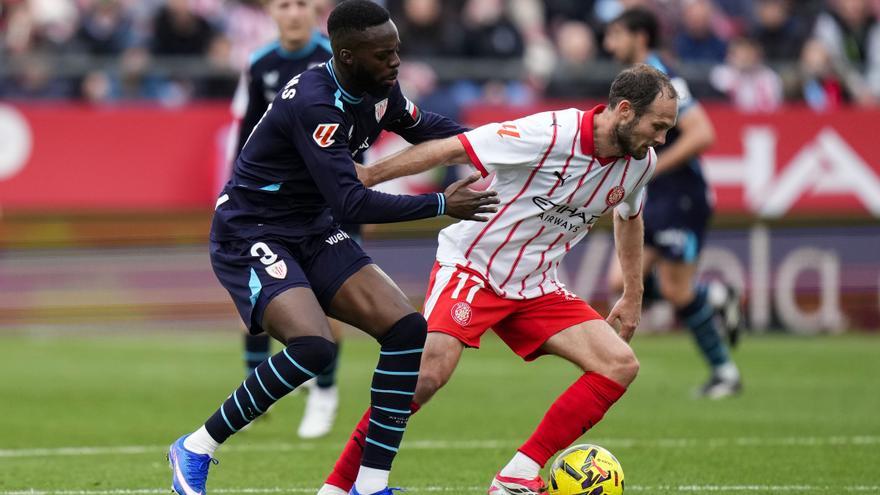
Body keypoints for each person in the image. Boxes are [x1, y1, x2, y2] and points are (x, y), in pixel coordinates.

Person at [167, 2, 499, 495]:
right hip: (252, 231)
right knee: (314, 346)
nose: (395, 61)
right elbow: (350, 201)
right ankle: (196, 446)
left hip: (312, 226)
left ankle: (370, 485)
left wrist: (505, 142)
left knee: (407, 329)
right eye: (383, 54)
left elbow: (423, 124)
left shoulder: (380, 87)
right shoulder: (316, 103)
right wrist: (440, 204)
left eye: (396, 50)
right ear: (347, 56)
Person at [317, 64, 677, 495]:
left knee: (619, 365)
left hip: (537, 285)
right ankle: (336, 488)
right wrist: (369, 175)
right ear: (625, 110)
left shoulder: (640, 164)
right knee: (427, 374)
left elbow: (629, 217)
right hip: (474, 267)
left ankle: (516, 475)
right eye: (658, 126)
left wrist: (633, 293)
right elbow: (454, 148)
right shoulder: (550, 133)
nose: (661, 139)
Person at [603, 7, 743, 398]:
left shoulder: (666, 80)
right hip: (659, 196)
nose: (608, 44)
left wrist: (653, 169)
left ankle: (725, 373)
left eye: (616, 34)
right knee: (621, 282)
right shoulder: (636, 81)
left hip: (682, 196)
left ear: (640, 37)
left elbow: (702, 133)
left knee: (676, 291)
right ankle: (715, 297)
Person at [229, 0, 345, 440]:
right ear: (270, 12)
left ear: (315, 10)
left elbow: (353, 132)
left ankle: (325, 392)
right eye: (284, 4)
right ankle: (256, 385)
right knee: (258, 291)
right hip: (270, 203)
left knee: (335, 300)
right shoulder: (260, 63)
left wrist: (352, 190)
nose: (294, 13)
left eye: (301, 4)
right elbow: (248, 134)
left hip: (327, 198)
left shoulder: (335, 59)